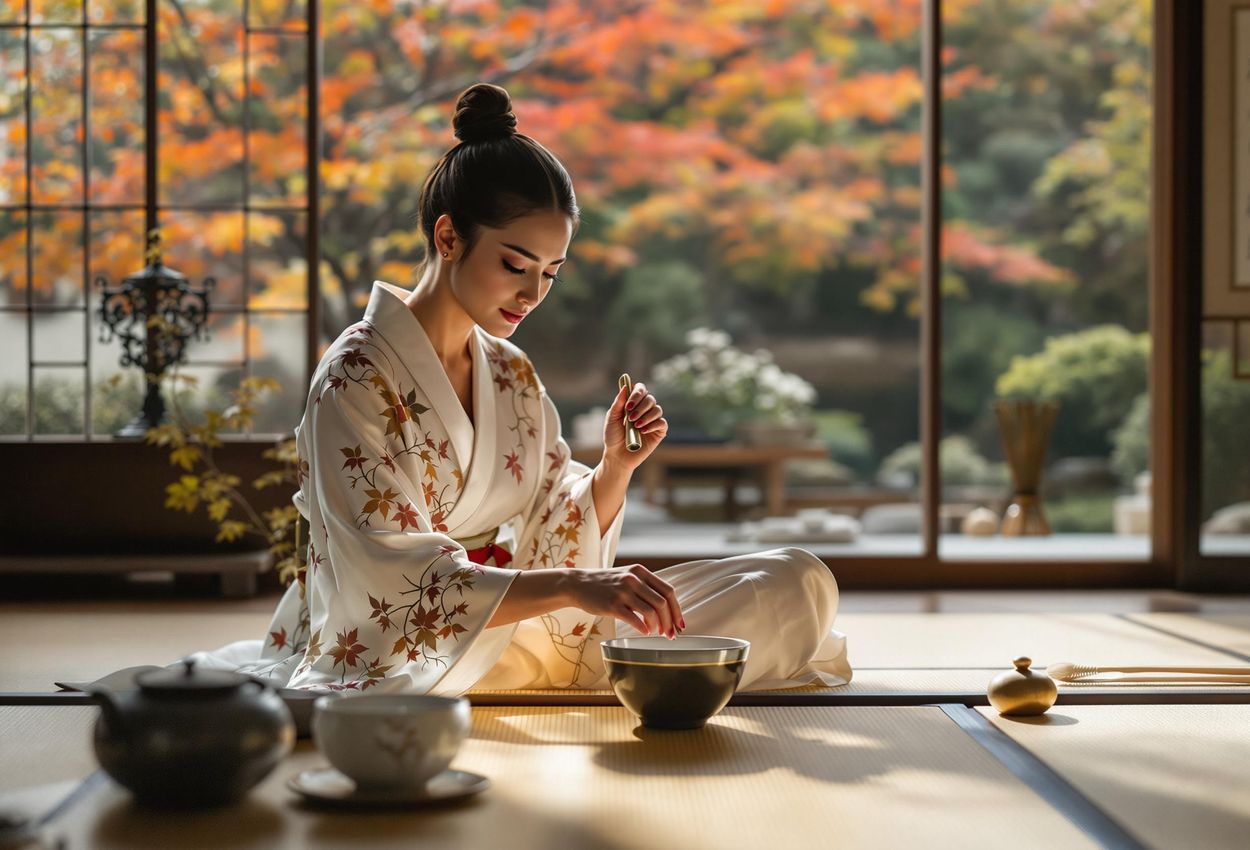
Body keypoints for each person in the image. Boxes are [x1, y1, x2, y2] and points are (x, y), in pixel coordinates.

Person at [199, 83, 851, 694]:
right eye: (515, 264)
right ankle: (643, 671)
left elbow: (551, 517)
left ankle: (627, 666)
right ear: (448, 236)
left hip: (532, 618)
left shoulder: (511, 373)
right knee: (672, 623)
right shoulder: (355, 376)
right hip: (412, 648)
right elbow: (389, 576)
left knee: (794, 579)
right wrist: (577, 587)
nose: (533, 293)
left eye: (550, 272)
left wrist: (615, 471)